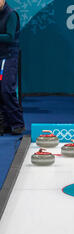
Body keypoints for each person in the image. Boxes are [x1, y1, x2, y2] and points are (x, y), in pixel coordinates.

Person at [0, 0, 24, 135]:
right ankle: (5, 124)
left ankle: (17, 123)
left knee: (6, 90)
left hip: (8, 57)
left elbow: (9, 37)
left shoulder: (11, 14)